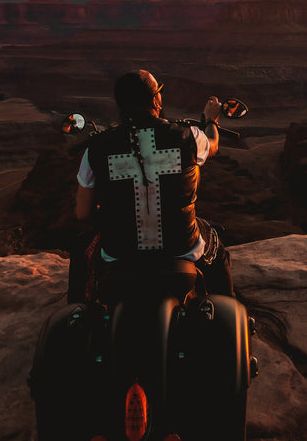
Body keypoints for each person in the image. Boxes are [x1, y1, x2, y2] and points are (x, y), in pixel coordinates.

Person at [71, 69, 232, 302]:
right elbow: (213, 145)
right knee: (217, 248)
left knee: (80, 249)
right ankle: (229, 313)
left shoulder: (96, 148)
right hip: (182, 248)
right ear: (156, 100)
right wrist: (210, 121)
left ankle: (77, 316)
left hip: (119, 254)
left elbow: (82, 213)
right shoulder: (189, 137)